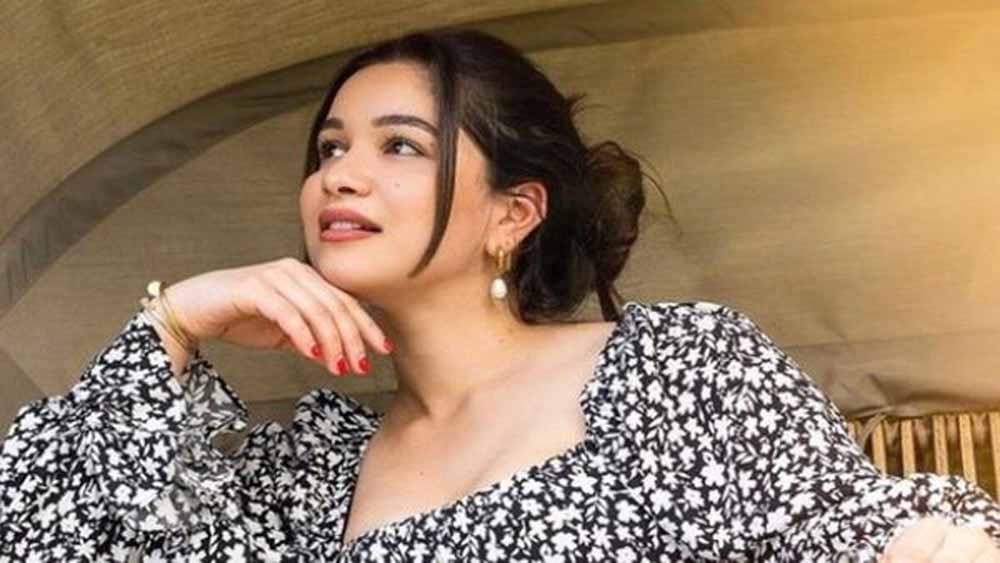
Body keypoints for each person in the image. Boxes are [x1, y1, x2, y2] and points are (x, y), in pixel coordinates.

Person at [1, 27, 999, 563]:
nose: (340, 175)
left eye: (400, 146)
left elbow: (876, 538)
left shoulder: (677, 369)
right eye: (329, 149)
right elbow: (46, 540)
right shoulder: (307, 471)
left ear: (513, 213)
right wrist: (176, 321)